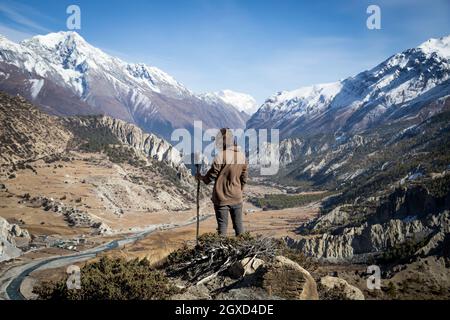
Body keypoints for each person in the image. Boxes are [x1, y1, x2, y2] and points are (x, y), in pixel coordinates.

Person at [196, 128, 248, 236]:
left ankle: (221, 251)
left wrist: (201, 178)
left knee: (222, 227)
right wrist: (239, 190)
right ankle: (244, 250)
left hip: (221, 198)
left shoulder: (220, 156)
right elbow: (244, 178)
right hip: (237, 197)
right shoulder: (242, 156)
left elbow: (211, 176)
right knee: (239, 226)